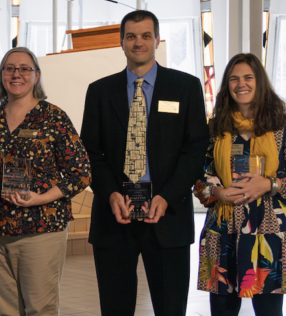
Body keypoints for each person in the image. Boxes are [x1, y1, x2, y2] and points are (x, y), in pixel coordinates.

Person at [79, 10, 209, 316]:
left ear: (158, 40)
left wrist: (167, 195)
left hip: (168, 214)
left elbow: (195, 150)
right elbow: (90, 153)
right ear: (121, 42)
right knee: (115, 308)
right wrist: (110, 193)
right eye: (131, 36)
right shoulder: (99, 91)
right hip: (115, 216)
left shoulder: (185, 87)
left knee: (170, 308)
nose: (139, 43)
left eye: (146, 36)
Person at [0, 46, 91, 315]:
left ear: (36, 75)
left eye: (24, 69)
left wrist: (41, 198)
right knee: (7, 309)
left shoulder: (53, 117)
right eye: (9, 68)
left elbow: (82, 172)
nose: (16, 74)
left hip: (41, 227)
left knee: (39, 308)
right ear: (1, 75)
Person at [194, 53, 286, 316]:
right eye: (234, 79)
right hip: (223, 230)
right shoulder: (215, 128)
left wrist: (270, 184)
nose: (241, 84)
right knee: (222, 311)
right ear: (227, 86)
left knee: (269, 312)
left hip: (270, 233)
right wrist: (217, 191)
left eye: (248, 77)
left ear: (260, 82)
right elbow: (199, 177)